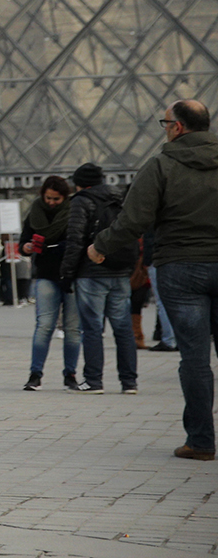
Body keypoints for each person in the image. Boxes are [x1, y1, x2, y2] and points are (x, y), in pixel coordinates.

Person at [87, 99, 218, 461]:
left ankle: (202, 441)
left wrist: (100, 247)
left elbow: (134, 219)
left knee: (194, 358)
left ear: (177, 127)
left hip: (181, 267)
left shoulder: (162, 165)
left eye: (165, 123)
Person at [59, 162, 137, 395]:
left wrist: (66, 273)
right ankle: (129, 382)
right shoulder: (121, 198)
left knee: (92, 328)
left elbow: (75, 239)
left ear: (80, 183)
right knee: (123, 328)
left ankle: (94, 381)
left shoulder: (82, 201)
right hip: (120, 271)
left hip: (91, 272)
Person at [21, 175, 81, 391]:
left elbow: (76, 242)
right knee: (44, 325)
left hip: (70, 274)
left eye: (56, 199)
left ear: (64, 197)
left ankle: (70, 374)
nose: (51, 202)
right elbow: (23, 241)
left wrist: (52, 246)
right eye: (48, 198)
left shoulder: (74, 211)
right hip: (45, 274)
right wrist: (26, 247)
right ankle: (35, 374)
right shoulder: (35, 211)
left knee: (73, 328)